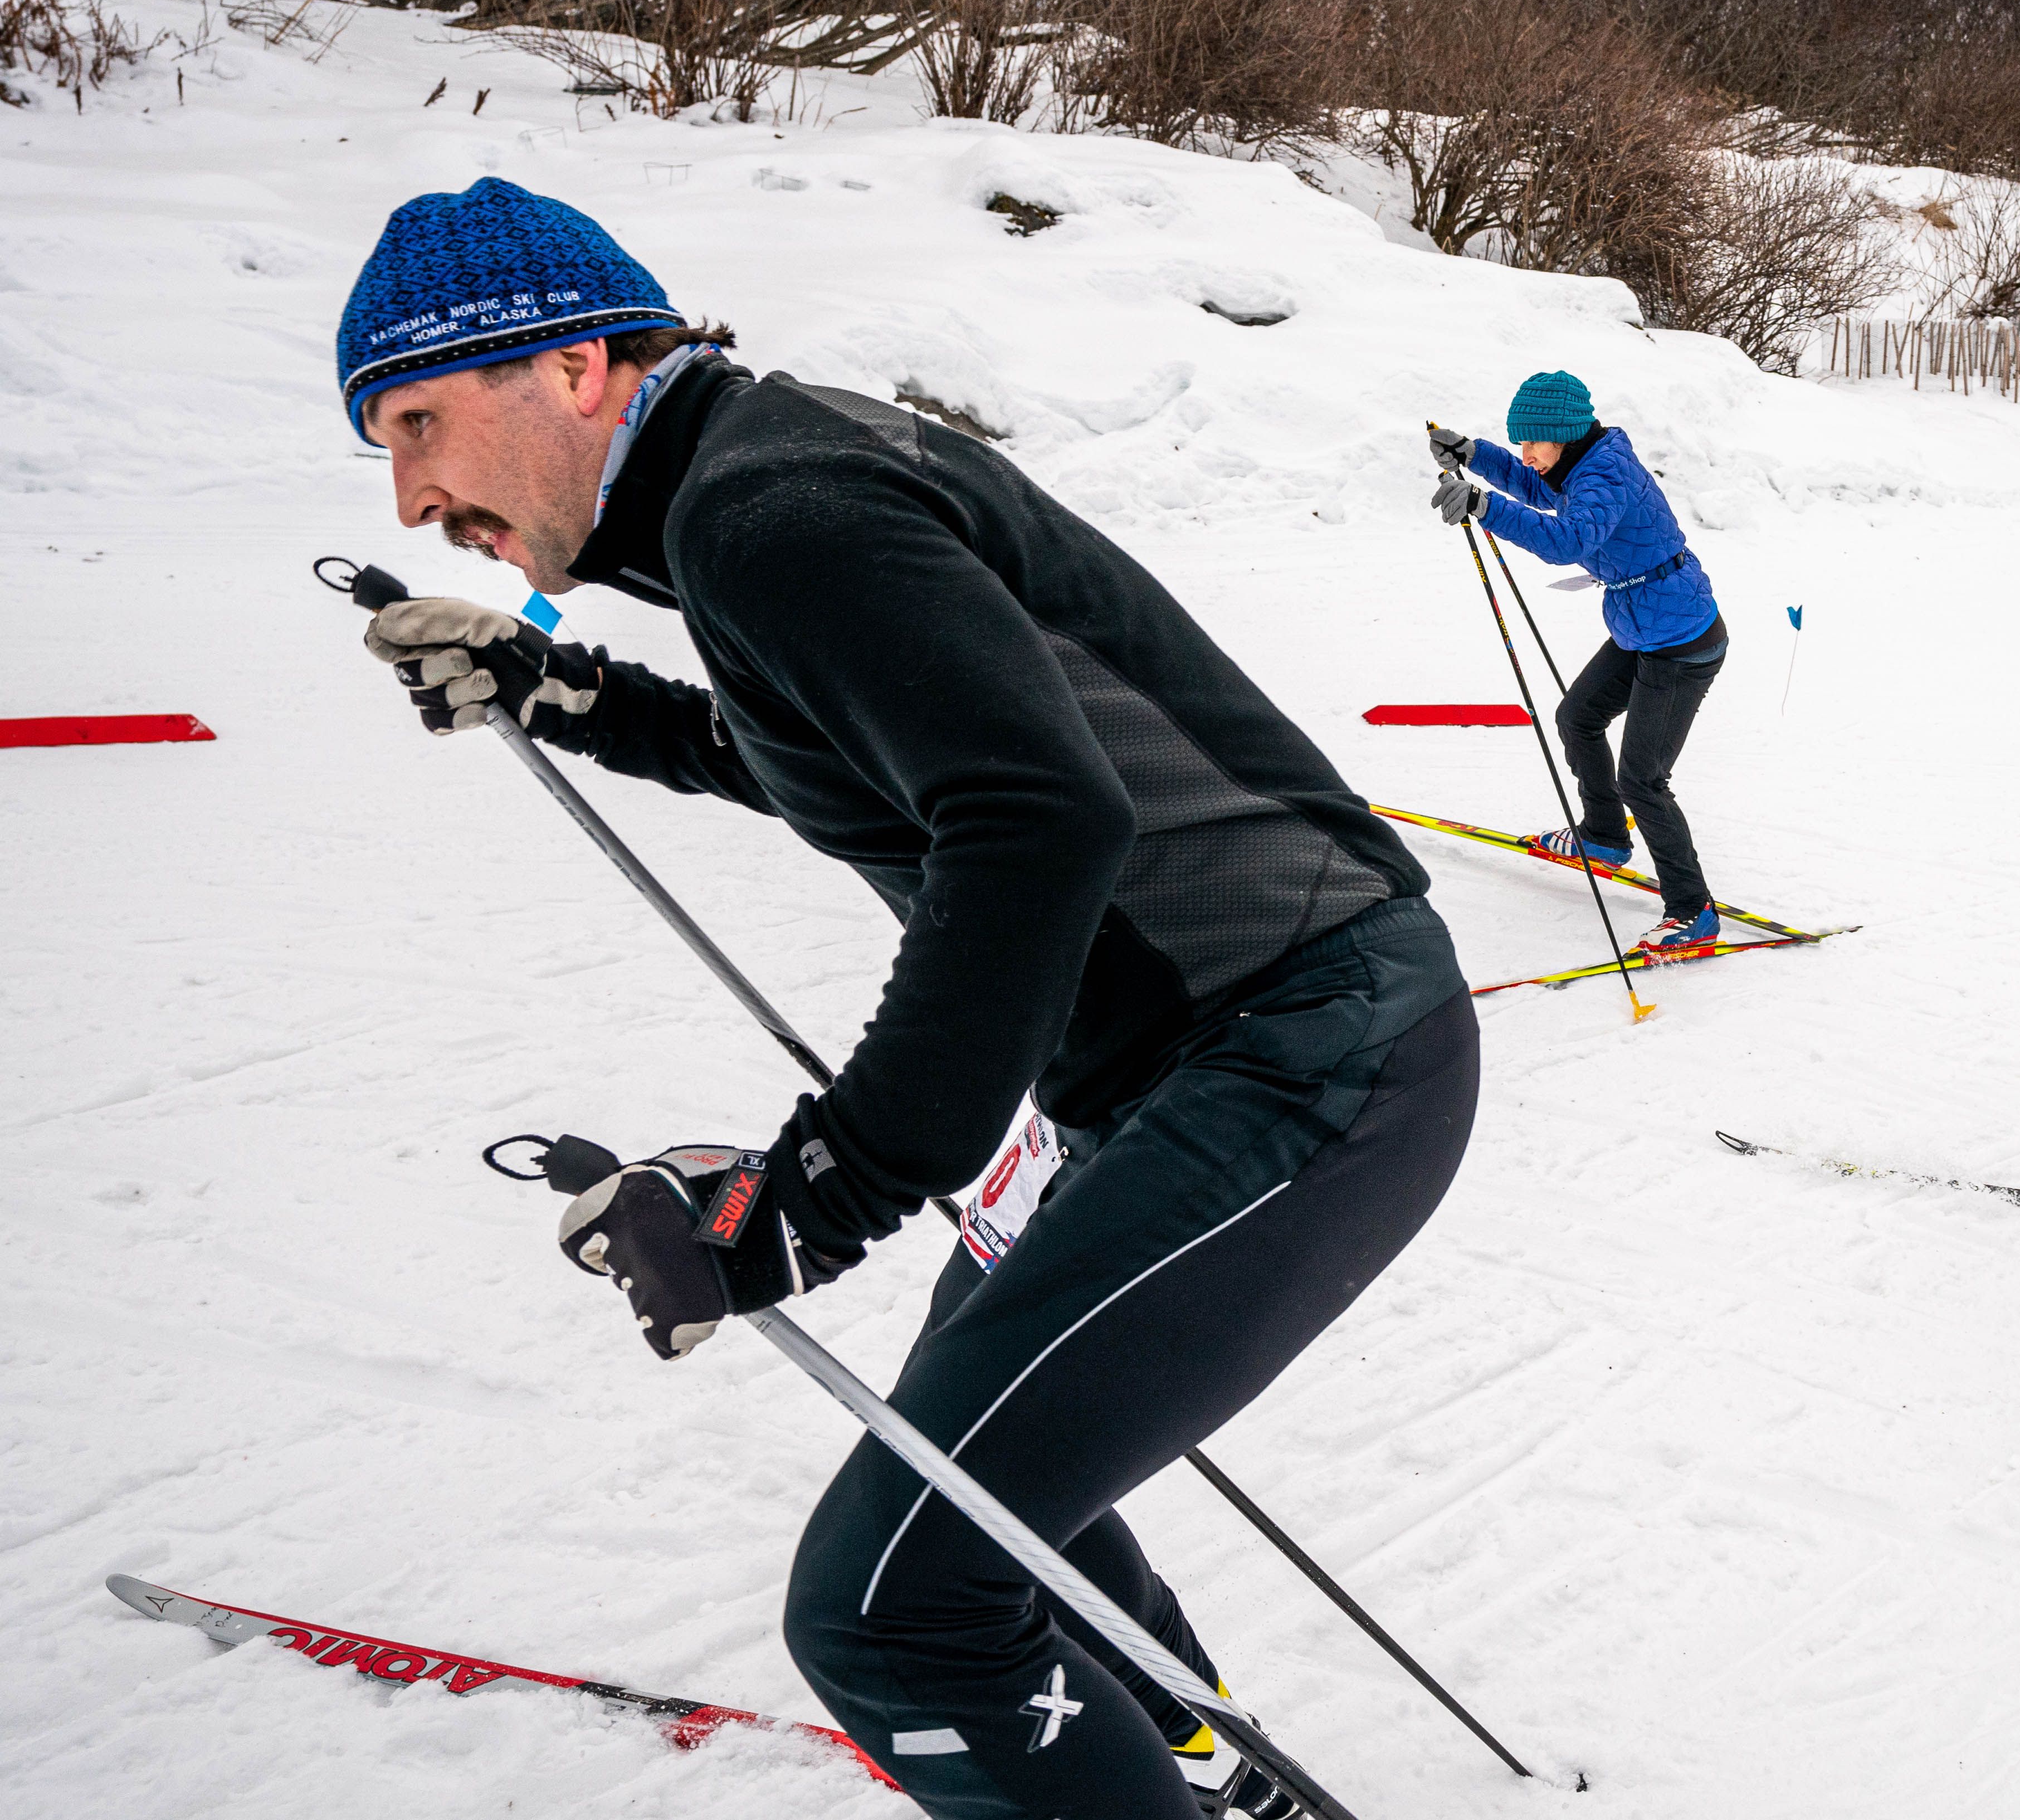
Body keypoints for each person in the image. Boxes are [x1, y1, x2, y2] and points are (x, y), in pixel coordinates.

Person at [338, 177, 1476, 1819]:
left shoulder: (768, 508)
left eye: (420, 422)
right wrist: (562, 688)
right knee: (994, 1453)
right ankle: (1198, 1764)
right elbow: (832, 745)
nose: (410, 493)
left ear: (574, 367)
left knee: (892, 1605)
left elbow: (1032, 818)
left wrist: (819, 1194)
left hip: (1304, 1045)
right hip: (1220, 1054)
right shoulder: (753, 492)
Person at [1428, 372, 1729, 952]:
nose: (1527, 455)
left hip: (1682, 641)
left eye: (1534, 442)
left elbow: (1569, 540)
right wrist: (1474, 454)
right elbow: (1538, 488)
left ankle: (1694, 910)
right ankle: (1604, 837)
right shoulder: (1578, 462)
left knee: (1642, 779)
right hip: (1643, 626)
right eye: (1520, 443)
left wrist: (1484, 506)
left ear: (1564, 433)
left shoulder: (1605, 473)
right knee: (1578, 718)